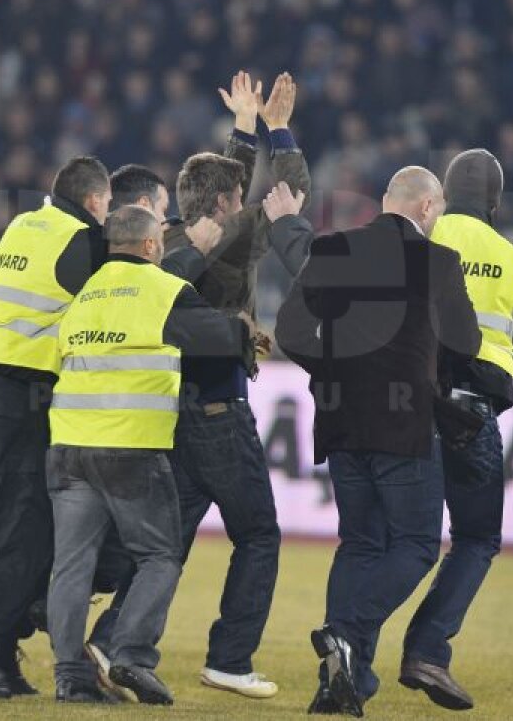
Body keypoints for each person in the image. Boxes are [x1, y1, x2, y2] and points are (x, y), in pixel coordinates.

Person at [0, 157, 220, 698]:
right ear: (94, 203)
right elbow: (135, 279)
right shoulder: (84, 242)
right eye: (106, 208)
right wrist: (192, 245)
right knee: (23, 542)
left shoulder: (26, 225)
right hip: (16, 397)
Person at [85, 71, 313, 701]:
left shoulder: (171, 240)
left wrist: (242, 132)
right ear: (224, 206)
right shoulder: (231, 234)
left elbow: (224, 192)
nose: (243, 206)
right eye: (237, 198)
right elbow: (290, 195)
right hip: (218, 411)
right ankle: (230, 658)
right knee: (259, 534)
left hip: (170, 413)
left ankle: (110, 640)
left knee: (169, 542)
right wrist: (279, 129)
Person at [275, 167, 481, 717]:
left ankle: (342, 686)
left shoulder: (334, 249)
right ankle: (344, 633)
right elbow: (465, 341)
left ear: (388, 202)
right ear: (428, 208)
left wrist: (333, 372)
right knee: (415, 546)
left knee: (360, 545)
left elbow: (291, 332)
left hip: (341, 422)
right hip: (404, 424)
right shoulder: (439, 263)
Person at [401, 149, 513, 711]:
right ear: (497, 204)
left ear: (442, 197)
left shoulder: (413, 243)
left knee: (384, 542)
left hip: (401, 411)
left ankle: (349, 647)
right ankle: (428, 650)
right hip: (473, 418)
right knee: (476, 538)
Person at [45, 205, 247, 705]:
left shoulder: (84, 293)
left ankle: (71, 675)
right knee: (159, 555)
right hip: (131, 446)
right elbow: (221, 342)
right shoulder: (163, 291)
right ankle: (130, 656)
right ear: (153, 245)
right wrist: (244, 331)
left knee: (71, 566)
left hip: (69, 446)